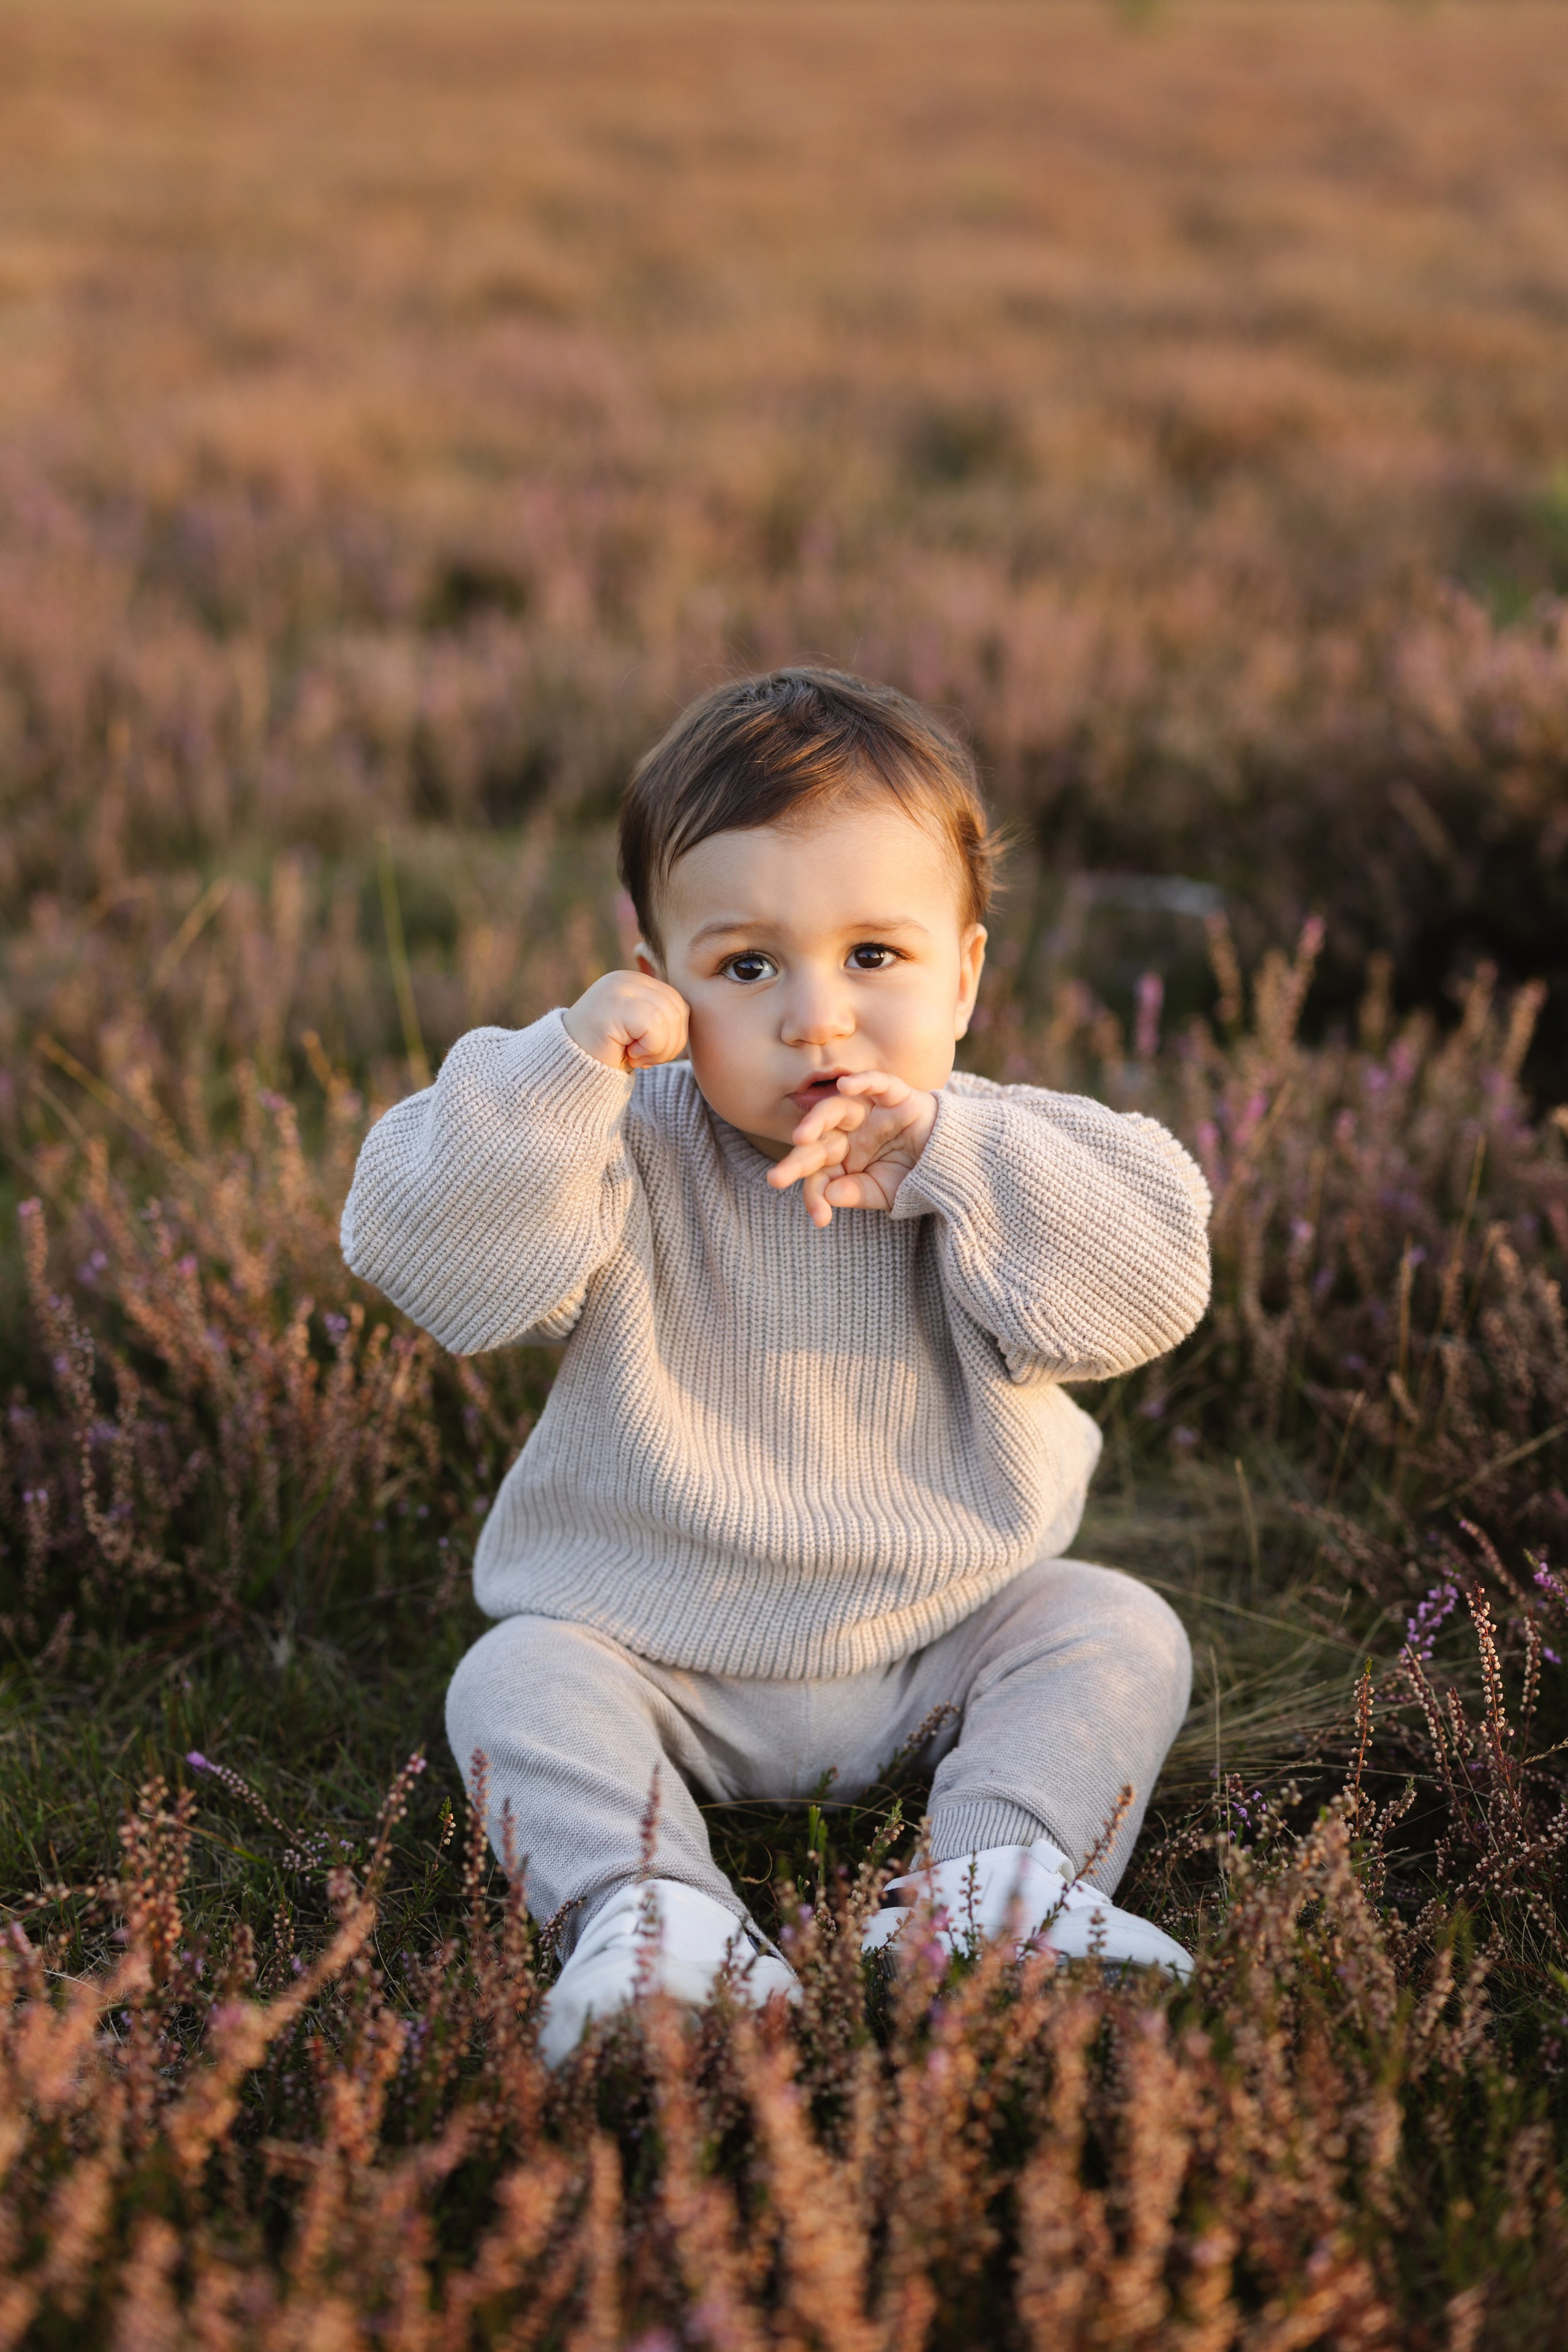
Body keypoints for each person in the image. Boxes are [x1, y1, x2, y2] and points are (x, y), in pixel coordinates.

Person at [341, 667, 1212, 2065]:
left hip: (945, 1624)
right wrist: (564, 1068)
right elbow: (440, 1265)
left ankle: (997, 1887)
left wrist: (950, 1161)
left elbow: (1148, 1289)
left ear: (967, 971)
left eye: (875, 957)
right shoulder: (619, 1142)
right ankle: (658, 1927)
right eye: (746, 965)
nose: (815, 1016)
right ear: (662, 969)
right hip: (657, 1645)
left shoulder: (992, 1150)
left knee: (1111, 1625)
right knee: (513, 1680)